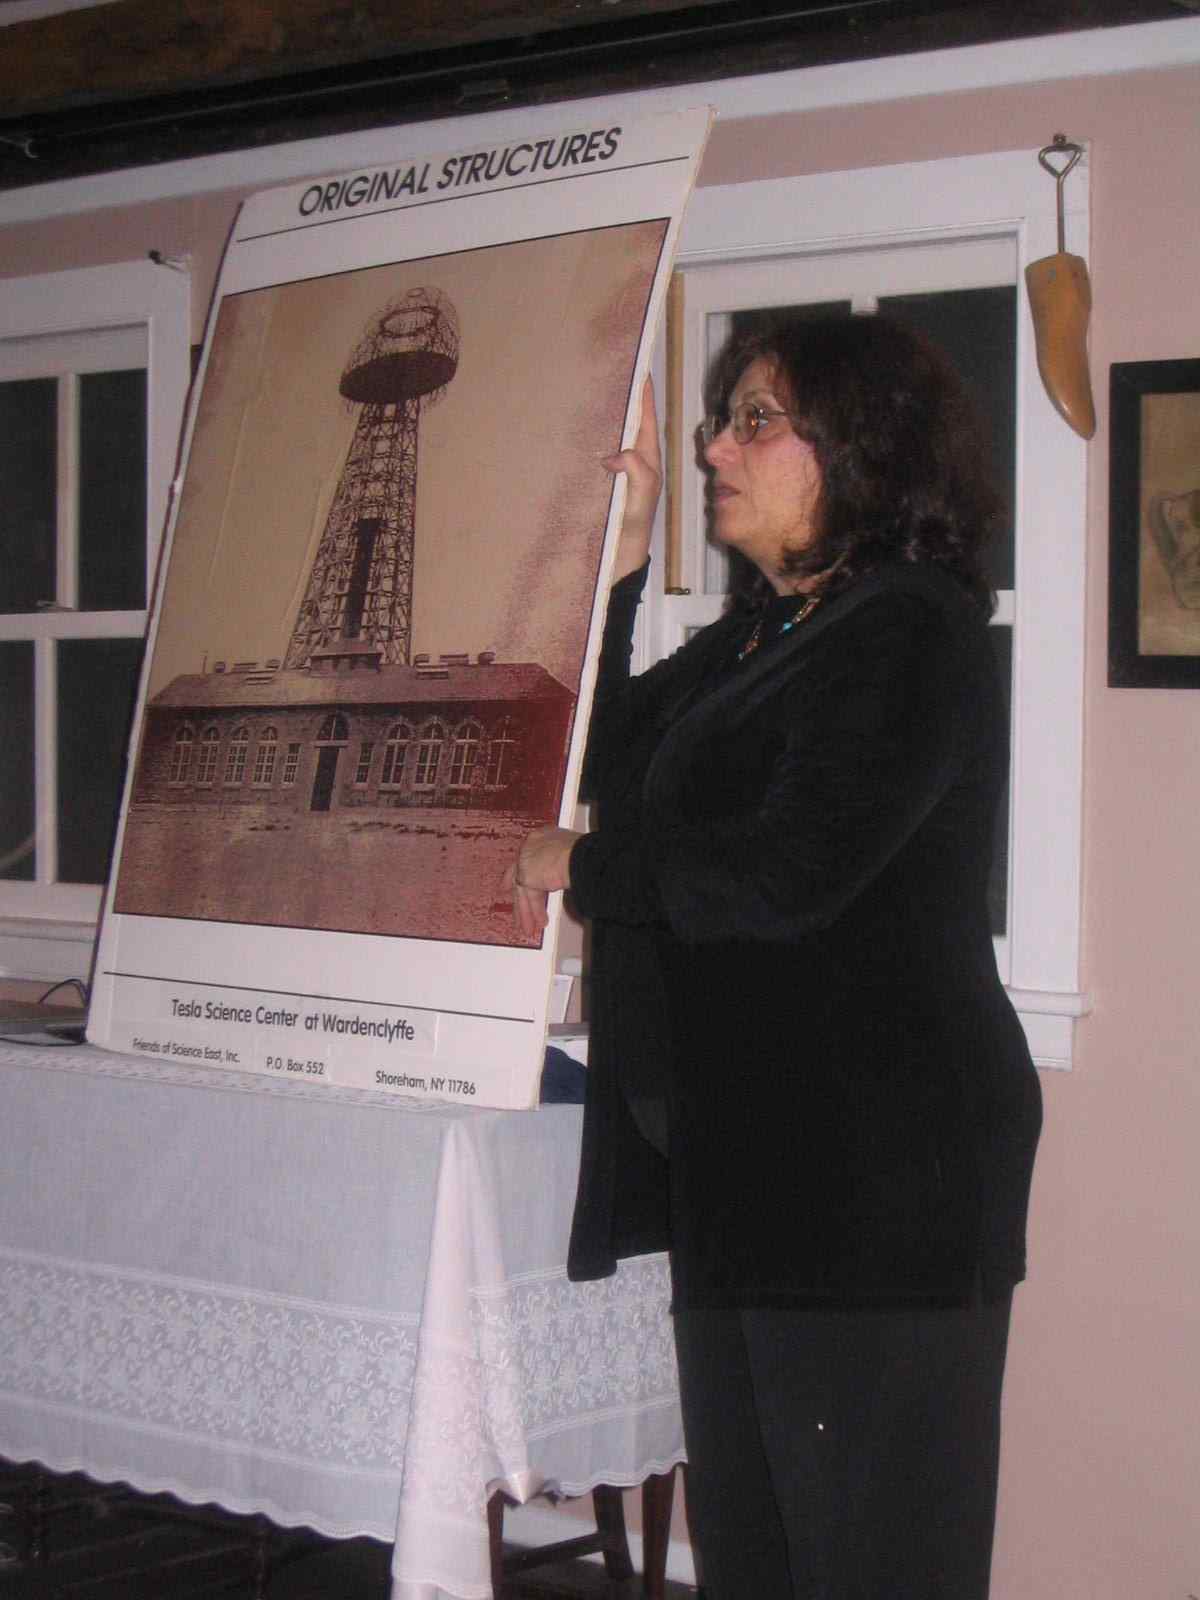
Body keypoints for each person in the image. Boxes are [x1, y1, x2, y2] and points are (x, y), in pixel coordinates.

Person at [507, 313, 1042, 1599]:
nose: (710, 447)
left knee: (868, 1568)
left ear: (858, 449)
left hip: (874, 1184)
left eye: (754, 418)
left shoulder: (910, 630)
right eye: (721, 417)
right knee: (755, 1562)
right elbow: (615, 767)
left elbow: (781, 872)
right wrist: (627, 570)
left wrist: (578, 867)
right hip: (749, 1167)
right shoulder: (768, 634)